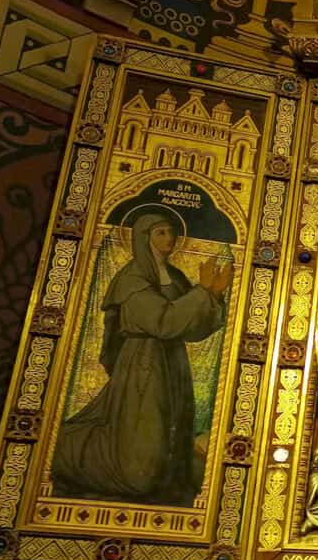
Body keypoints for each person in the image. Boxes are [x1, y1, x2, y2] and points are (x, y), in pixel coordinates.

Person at [52, 213, 232, 506]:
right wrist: (202, 291)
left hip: (173, 362)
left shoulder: (174, 277)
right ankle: (74, 456)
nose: (169, 239)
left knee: (172, 428)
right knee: (146, 434)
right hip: (143, 364)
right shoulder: (132, 279)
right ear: (143, 237)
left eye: (171, 232)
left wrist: (214, 296)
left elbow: (194, 328)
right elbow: (163, 322)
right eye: (160, 233)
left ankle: (162, 480)